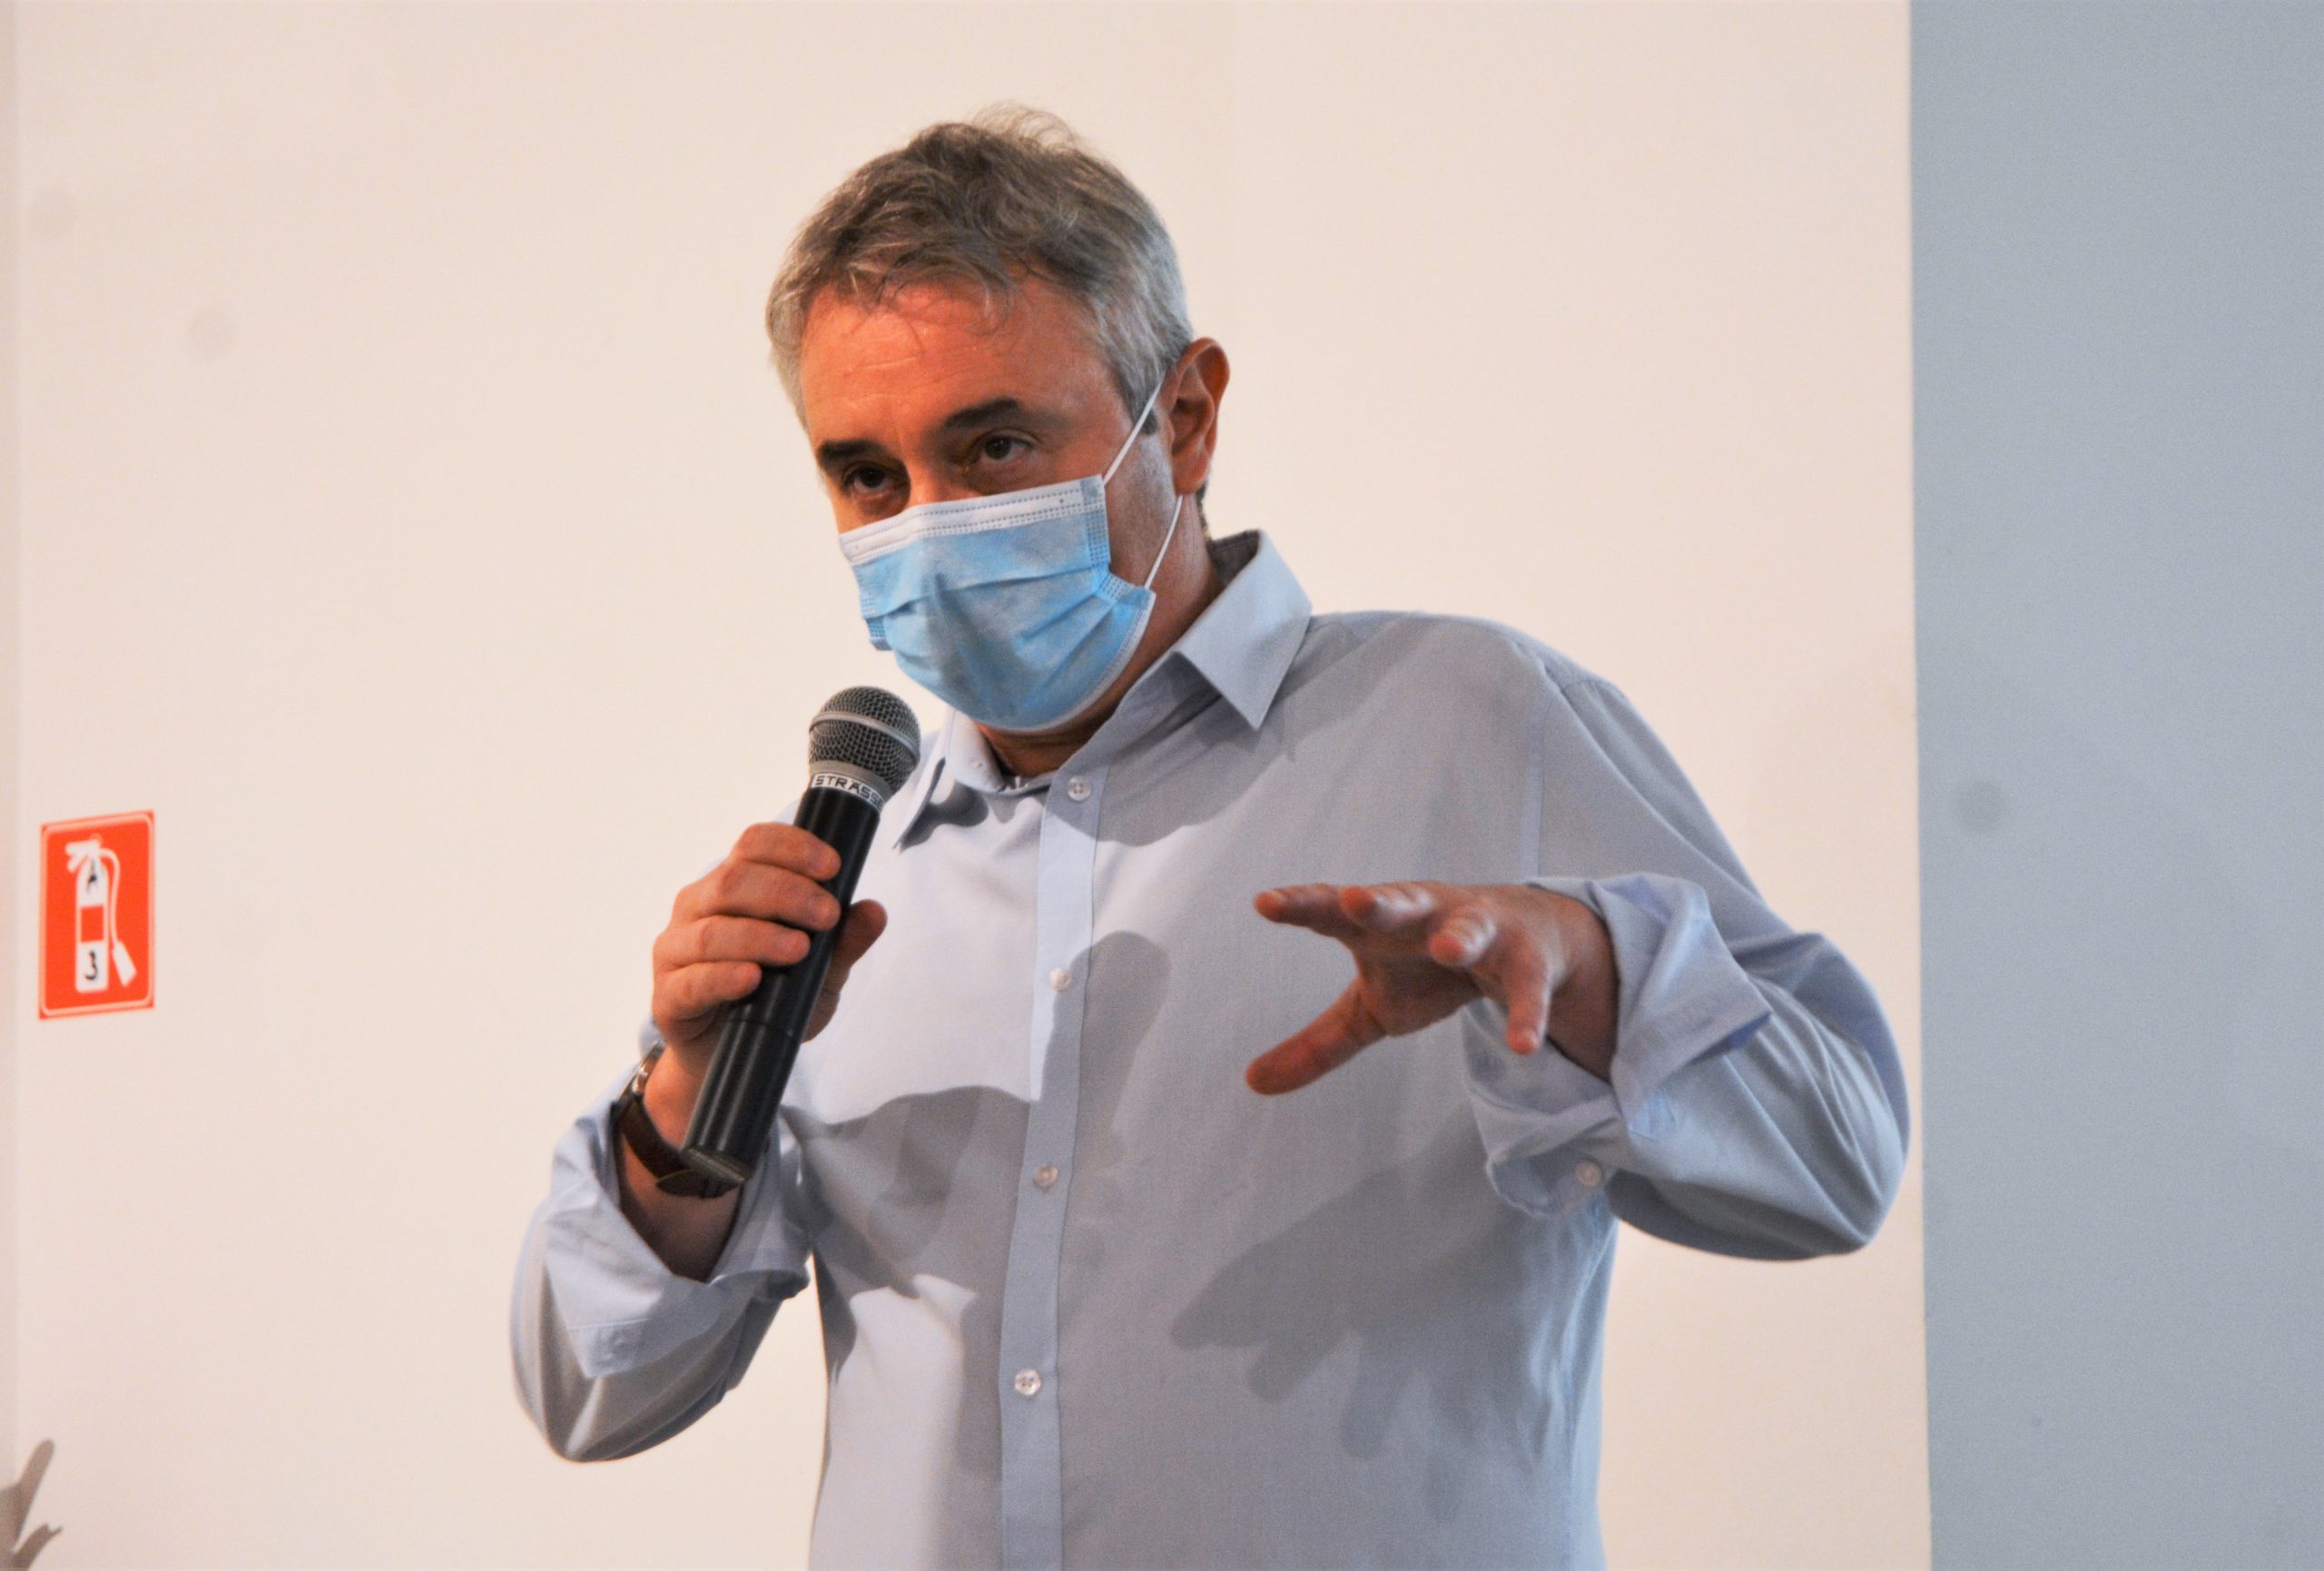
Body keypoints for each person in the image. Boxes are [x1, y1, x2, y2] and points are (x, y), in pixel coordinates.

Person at [509, 106, 1908, 1571]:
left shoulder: (1471, 721)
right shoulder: (848, 889)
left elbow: (1839, 1157)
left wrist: (1592, 972)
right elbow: (594, 1391)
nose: (927, 525)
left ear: (1183, 418)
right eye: (868, 475)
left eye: (993, 445)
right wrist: (681, 1102)